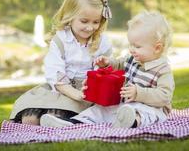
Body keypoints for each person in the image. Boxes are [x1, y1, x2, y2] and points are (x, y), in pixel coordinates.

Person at [40, 10, 175, 128]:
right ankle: (73, 122)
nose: (131, 49)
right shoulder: (134, 59)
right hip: (125, 104)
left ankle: (132, 122)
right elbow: (120, 64)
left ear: (157, 48)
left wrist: (139, 93)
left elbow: (164, 96)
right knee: (100, 109)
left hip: (151, 107)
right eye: (131, 45)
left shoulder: (162, 69)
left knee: (143, 113)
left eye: (137, 46)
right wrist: (108, 63)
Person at [9, 0, 113, 125]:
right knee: (29, 120)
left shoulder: (102, 42)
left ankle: (60, 121)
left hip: (86, 92)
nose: (90, 27)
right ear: (70, 16)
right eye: (84, 21)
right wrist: (75, 94)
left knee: (54, 116)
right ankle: (46, 121)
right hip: (62, 88)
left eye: (96, 22)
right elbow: (55, 73)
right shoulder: (61, 40)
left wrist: (92, 85)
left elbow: (105, 71)